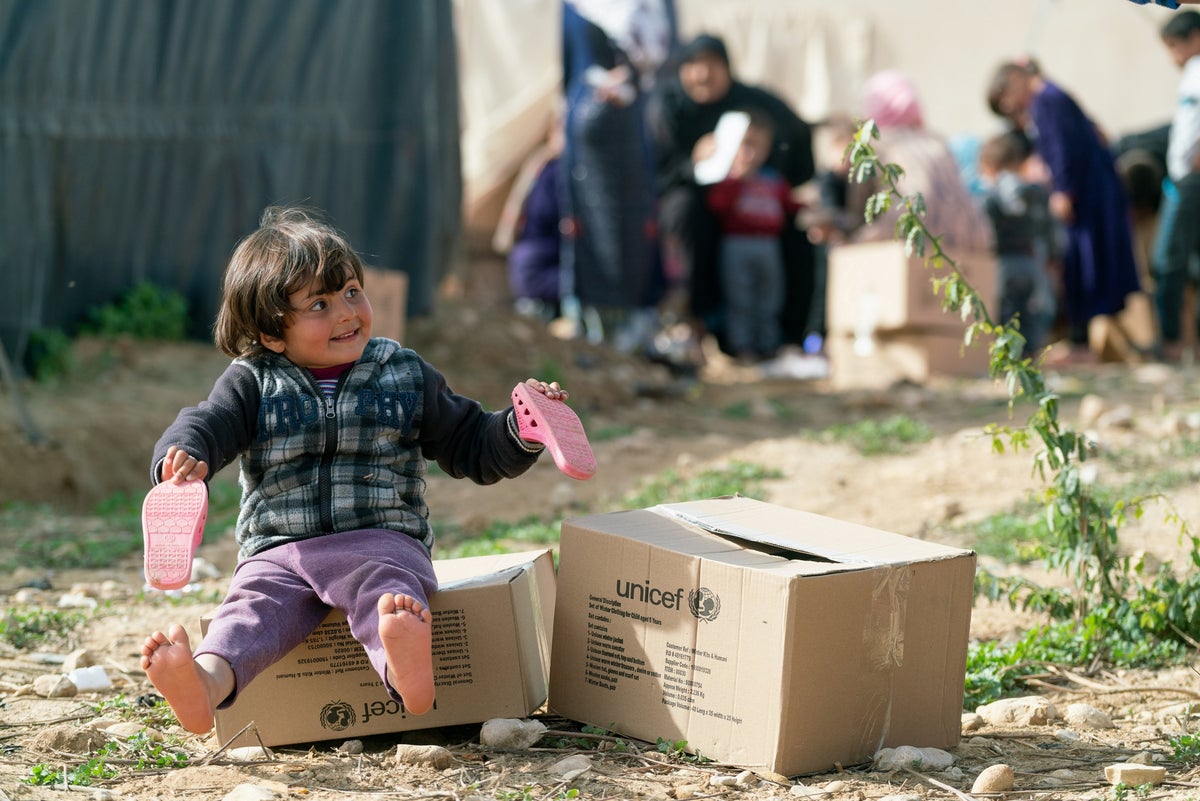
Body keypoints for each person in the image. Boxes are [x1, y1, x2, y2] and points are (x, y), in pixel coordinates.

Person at [139, 206, 587, 734]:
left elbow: (470, 443)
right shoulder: (252, 382)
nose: (346, 312)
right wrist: (184, 456)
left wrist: (518, 428)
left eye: (352, 291)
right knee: (250, 612)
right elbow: (207, 423)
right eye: (320, 304)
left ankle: (405, 672)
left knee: (389, 593)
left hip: (379, 537)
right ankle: (204, 683)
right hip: (281, 550)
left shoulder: (402, 372)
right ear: (272, 333)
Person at [648, 33, 815, 361]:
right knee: (685, 212)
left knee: (798, 228)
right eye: (693, 66)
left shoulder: (753, 101)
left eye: (712, 65)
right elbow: (657, 172)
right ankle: (692, 320)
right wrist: (694, 162)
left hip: (751, 210)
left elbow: (796, 134)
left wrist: (769, 171)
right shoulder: (668, 107)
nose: (703, 75)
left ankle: (790, 335)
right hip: (692, 205)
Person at [988, 61, 1142, 360]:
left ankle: (1082, 344)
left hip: (1083, 197)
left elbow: (1062, 148)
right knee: (1086, 265)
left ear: (1017, 79)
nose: (1011, 107)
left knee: (1080, 265)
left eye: (1006, 98)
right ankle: (1084, 342)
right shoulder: (1053, 96)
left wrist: (1063, 191)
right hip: (1092, 193)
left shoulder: (1045, 99)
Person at [559, 0, 676, 352]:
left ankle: (625, 322)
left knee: (631, 224)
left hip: (627, 126)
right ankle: (599, 324)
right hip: (595, 129)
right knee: (595, 223)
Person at [837, 71, 992, 254]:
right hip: (971, 244)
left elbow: (859, 211)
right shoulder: (939, 142)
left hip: (909, 240)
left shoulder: (878, 144)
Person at [705, 110, 802, 362]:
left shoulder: (772, 179)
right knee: (740, 298)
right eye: (745, 145)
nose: (751, 153)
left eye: (758, 146)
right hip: (737, 244)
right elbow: (717, 207)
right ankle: (743, 346)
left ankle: (768, 345)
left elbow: (791, 204)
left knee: (770, 296)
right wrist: (736, 182)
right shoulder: (726, 179)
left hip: (768, 246)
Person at [978, 131, 1059, 354]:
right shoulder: (1037, 194)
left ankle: (1007, 359)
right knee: (1029, 313)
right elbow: (1050, 230)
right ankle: (1029, 357)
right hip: (1031, 262)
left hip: (1003, 263)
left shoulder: (989, 197)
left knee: (1004, 312)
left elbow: (985, 233)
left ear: (989, 166)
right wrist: (1053, 256)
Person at [1158, 10, 1200, 360]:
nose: (1173, 56)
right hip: (1183, 179)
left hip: (1192, 182)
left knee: (1168, 260)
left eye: (1176, 46)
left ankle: (1171, 343)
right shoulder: (1191, 72)